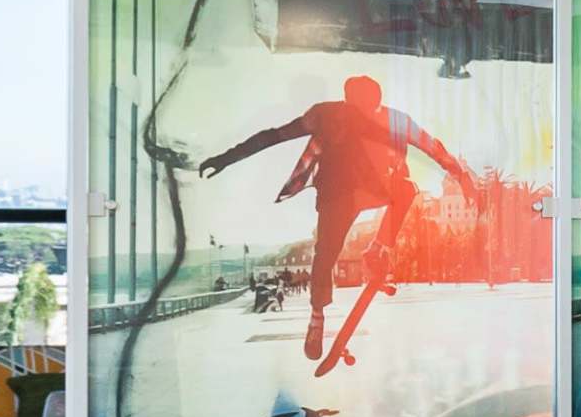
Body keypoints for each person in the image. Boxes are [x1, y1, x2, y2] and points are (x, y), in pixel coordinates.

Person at [196, 74, 480, 362]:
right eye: (361, 109)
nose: (367, 116)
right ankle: (317, 317)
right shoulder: (325, 114)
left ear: (379, 102)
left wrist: (463, 176)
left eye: (372, 109)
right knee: (325, 256)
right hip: (337, 195)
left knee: (405, 189)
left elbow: (433, 147)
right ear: (348, 101)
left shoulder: (395, 120)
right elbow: (274, 136)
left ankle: (377, 248)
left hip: (373, 189)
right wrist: (226, 158)